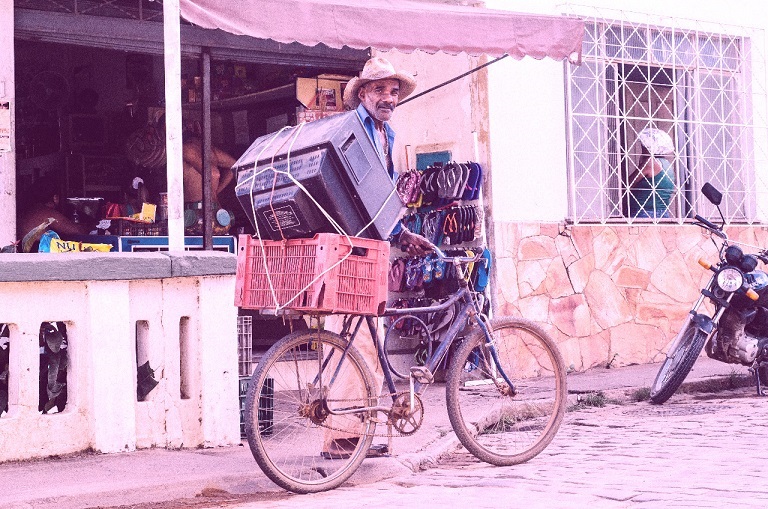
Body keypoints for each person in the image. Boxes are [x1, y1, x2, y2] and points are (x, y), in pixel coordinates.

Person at [321, 57, 432, 459]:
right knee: (356, 340)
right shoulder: (356, 132)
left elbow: (380, 196)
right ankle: (345, 437)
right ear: (363, 94)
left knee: (364, 338)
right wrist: (398, 231)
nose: (388, 98)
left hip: (369, 245)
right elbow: (359, 190)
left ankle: (356, 432)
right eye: (380, 90)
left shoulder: (385, 133)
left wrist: (401, 233)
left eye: (393, 91)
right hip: (351, 246)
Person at [17, 176, 91, 247]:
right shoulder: (46, 212)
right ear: (55, 198)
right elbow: (77, 231)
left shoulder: (28, 211)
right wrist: (91, 227)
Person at [628, 127, 676, 219]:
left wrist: (642, 161)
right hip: (662, 212)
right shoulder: (666, 164)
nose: (642, 149)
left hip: (645, 212)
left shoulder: (650, 163)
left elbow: (628, 184)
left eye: (644, 146)